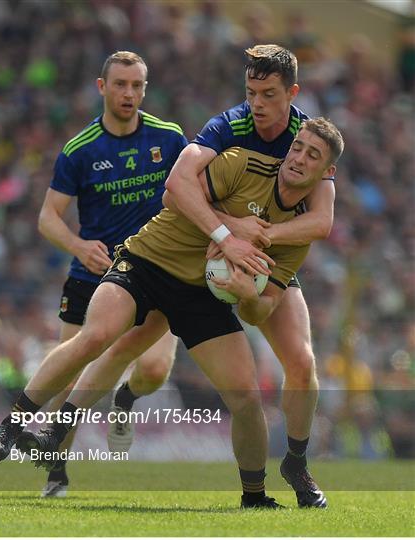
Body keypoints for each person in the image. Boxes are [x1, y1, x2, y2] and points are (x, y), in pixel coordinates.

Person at [0, 117, 344, 510]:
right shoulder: (243, 162)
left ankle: (254, 497)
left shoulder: (298, 233)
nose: (299, 158)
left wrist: (245, 295)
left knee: (244, 396)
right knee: (97, 337)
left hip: (200, 293)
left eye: (312, 155)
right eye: (297, 147)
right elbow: (176, 195)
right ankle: (13, 427)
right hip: (149, 261)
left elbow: (260, 310)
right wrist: (231, 231)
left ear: (327, 172)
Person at [109, 44, 336, 508]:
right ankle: (100, 411)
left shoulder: (306, 137)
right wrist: (232, 232)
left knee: (303, 363)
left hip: (264, 257)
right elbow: (176, 189)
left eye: (268, 94)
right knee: (134, 352)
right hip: (205, 250)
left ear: (291, 93)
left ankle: (295, 460)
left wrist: (262, 239)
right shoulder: (228, 126)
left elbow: (321, 221)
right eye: (251, 91)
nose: (256, 103)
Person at [33, 50, 187, 497]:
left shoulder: (169, 137)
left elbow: (195, 190)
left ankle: (126, 400)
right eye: (120, 84)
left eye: (137, 85)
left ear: (145, 89)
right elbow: (48, 217)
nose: (129, 93)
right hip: (91, 275)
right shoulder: (79, 150)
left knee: (156, 370)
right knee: (68, 375)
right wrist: (79, 245)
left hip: (156, 272)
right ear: (103, 87)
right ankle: (56, 471)